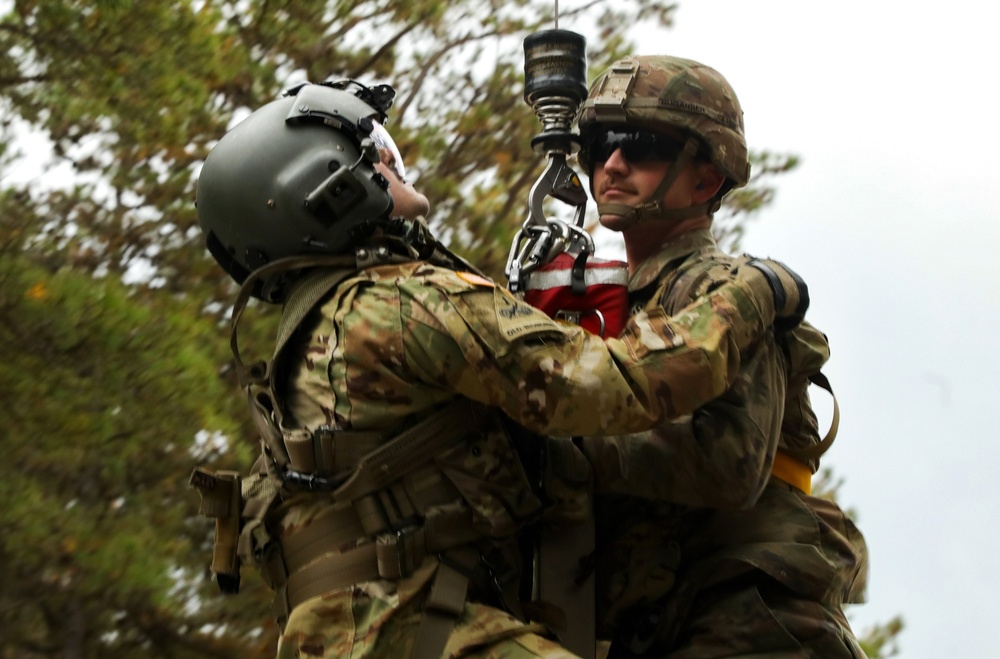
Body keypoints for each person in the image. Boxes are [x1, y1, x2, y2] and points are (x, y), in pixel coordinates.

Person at [191, 78, 807, 659]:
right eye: (374, 155)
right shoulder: (407, 303)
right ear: (333, 188)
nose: (391, 163)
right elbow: (625, 382)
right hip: (410, 627)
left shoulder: (314, 329)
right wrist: (759, 291)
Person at [570, 56, 869, 658]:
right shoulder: (601, 304)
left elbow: (729, 462)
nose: (614, 164)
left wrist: (562, 445)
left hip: (749, 621)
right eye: (600, 146)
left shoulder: (723, 291)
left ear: (706, 179)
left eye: (642, 146)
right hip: (657, 624)